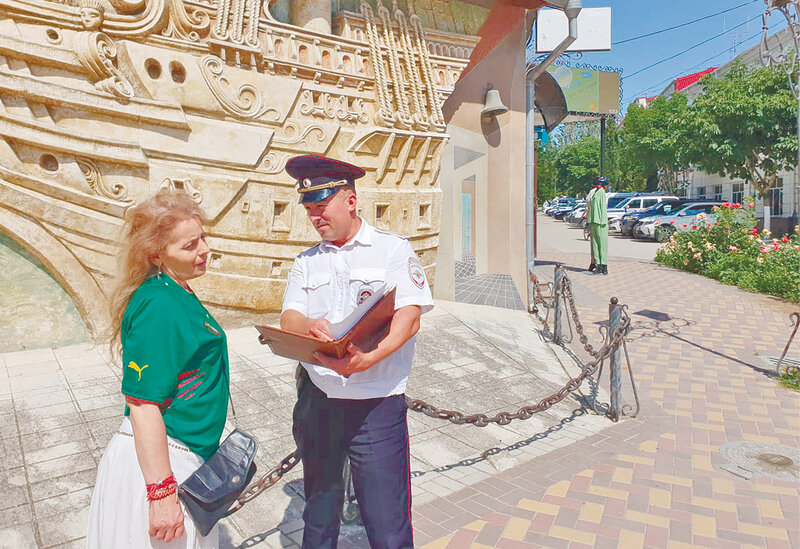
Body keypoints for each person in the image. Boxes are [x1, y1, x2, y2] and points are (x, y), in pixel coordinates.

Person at [280, 155, 434, 549]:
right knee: (318, 519)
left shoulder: (391, 249)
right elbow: (290, 318)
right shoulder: (306, 262)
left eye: (322, 206)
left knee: (387, 526)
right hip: (320, 404)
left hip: (376, 406)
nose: (315, 217)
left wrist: (370, 357)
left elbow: (409, 316)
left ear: (349, 200)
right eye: (310, 209)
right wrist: (309, 328)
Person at [87, 191, 229, 548]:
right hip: (164, 459)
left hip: (181, 451)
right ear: (156, 255)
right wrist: (162, 495)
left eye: (203, 238)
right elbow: (142, 402)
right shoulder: (159, 304)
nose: (204, 249)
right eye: (190, 245)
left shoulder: (176, 290)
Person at [586, 176, 609, 275]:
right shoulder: (596, 192)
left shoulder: (601, 192)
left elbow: (602, 208)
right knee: (595, 243)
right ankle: (598, 264)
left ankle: (603, 264)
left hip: (600, 221)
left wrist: (602, 220)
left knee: (601, 244)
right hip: (595, 220)